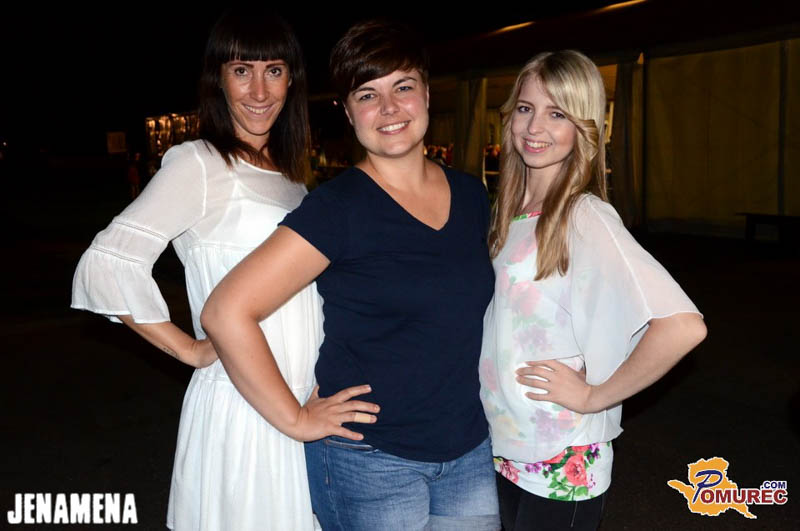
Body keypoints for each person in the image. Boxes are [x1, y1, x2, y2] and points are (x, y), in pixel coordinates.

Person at [71, 10, 375, 530]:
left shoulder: (290, 177)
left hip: (300, 400)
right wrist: (189, 349)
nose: (259, 90)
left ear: (292, 80)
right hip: (244, 407)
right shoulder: (199, 163)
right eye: (241, 71)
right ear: (218, 79)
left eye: (274, 71)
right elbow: (106, 263)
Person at [202, 20, 500, 531]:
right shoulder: (337, 209)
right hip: (370, 461)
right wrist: (296, 419)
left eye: (402, 87)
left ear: (427, 94)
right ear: (348, 112)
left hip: (469, 448)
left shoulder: (472, 195)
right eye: (367, 95)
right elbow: (226, 311)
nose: (389, 108)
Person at [479, 50, 707, 531]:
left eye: (557, 114)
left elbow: (682, 327)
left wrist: (593, 396)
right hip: (508, 444)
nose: (535, 127)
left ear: (583, 127)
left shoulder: (585, 216)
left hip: (562, 455)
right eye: (526, 108)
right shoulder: (512, 211)